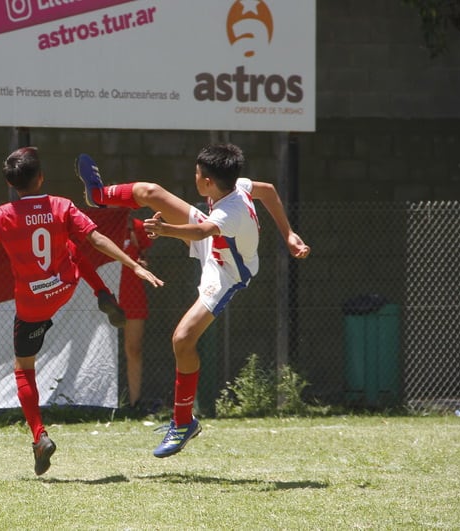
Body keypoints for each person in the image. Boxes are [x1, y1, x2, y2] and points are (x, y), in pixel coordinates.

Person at [0, 147, 163, 475]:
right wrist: (133, 265)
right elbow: (96, 240)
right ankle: (103, 292)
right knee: (69, 243)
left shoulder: (3, 214)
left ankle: (39, 437)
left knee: (23, 367)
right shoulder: (61, 206)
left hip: (33, 303)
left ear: (11, 184)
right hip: (64, 286)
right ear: (41, 178)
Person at [76, 144, 310, 458]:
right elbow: (267, 191)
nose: (195, 177)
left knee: (182, 340)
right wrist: (289, 234)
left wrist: (165, 229)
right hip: (217, 244)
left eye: (198, 174)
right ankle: (99, 195)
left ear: (209, 183)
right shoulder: (238, 186)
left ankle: (183, 422)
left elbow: (201, 231)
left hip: (227, 272)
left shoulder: (231, 211)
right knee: (151, 191)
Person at [119, 216, 153, 413]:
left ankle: (134, 403)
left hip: (132, 293)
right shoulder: (98, 226)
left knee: (134, 348)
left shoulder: (136, 226)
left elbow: (144, 255)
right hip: (106, 292)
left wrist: (142, 262)